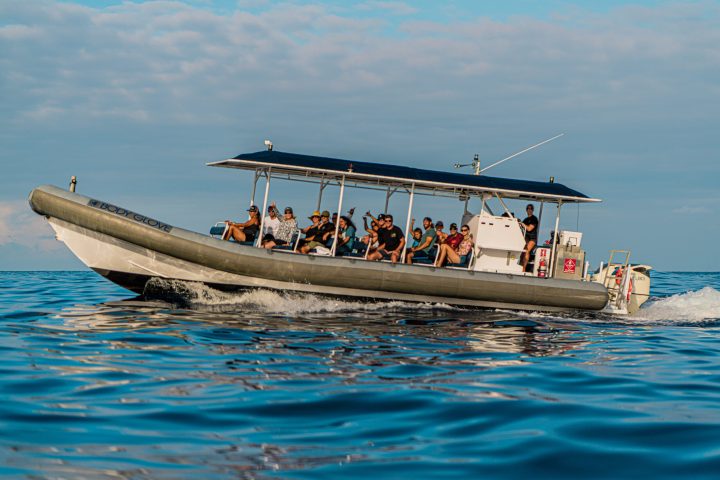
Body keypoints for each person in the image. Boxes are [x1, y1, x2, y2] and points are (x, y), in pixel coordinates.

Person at [521, 203, 539, 271]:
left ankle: (524, 269)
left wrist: (522, 224)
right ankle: (520, 265)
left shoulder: (534, 219)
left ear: (533, 210)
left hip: (533, 238)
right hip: (526, 237)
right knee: (522, 251)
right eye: (528, 208)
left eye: (531, 208)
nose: (529, 210)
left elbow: (529, 228)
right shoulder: (525, 219)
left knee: (526, 251)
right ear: (526, 210)